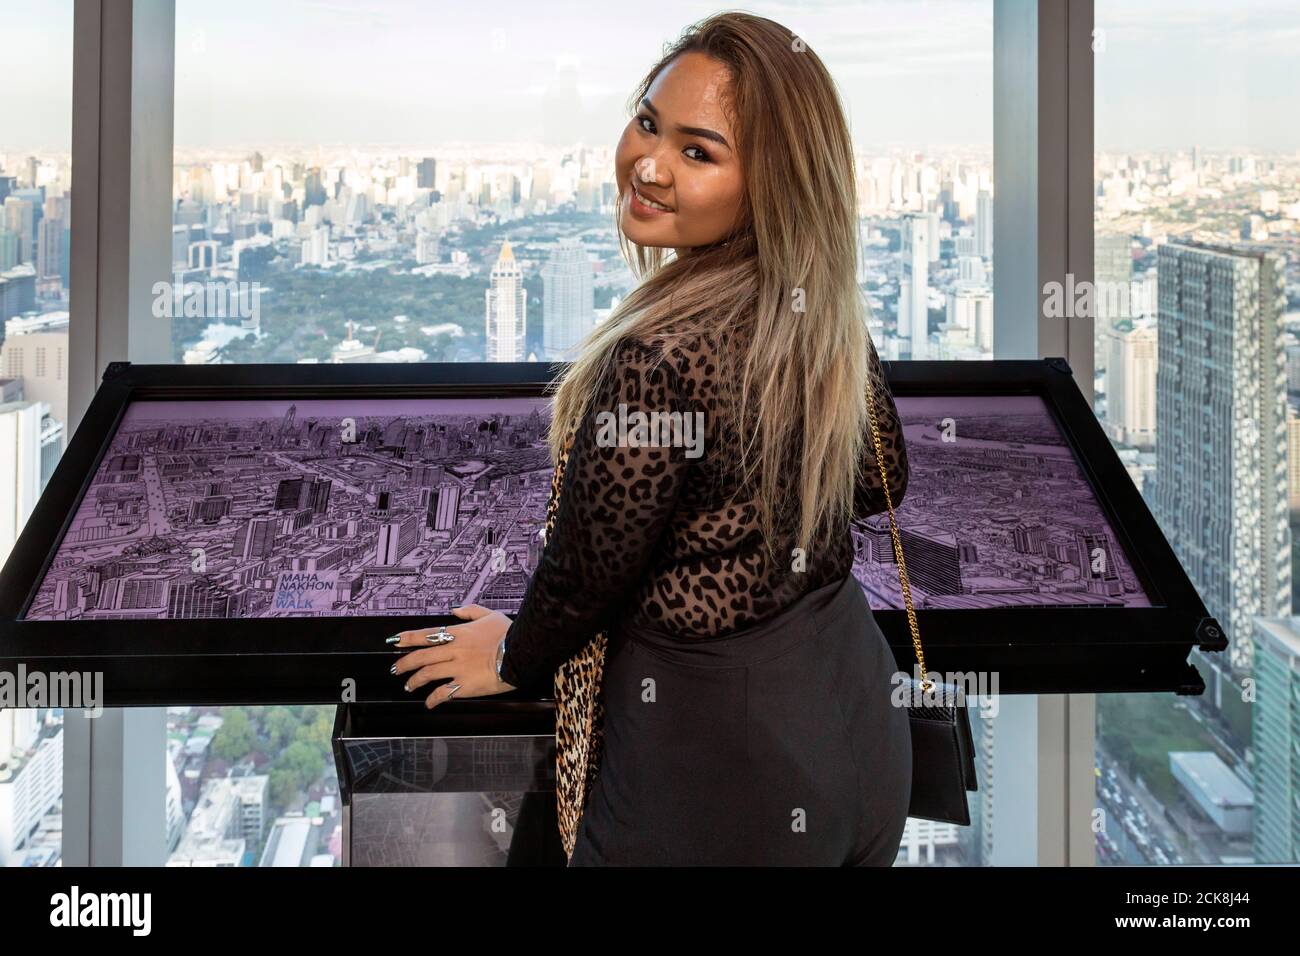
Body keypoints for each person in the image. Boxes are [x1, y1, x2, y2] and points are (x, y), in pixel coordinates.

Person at [389, 11, 912, 866]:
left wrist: (516, 655)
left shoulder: (656, 358)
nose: (650, 163)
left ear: (772, 183)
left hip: (716, 758)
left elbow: (590, 569)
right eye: (647, 123)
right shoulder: (816, 317)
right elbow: (879, 480)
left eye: (698, 151)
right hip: (853, 713)